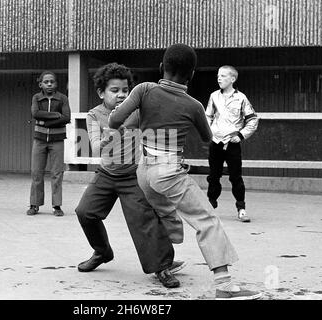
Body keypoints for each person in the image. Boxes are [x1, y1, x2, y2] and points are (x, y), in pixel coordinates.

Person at [109, 44, 262, 300]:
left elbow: (116, 121)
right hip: (169, 172)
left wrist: (137, 117)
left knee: (164, 211)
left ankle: (165, 259)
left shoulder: (144, 89)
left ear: (161, 68)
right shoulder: (193, 105)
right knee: (207, 221)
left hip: (144, 171)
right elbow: (206, 138)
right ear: (191, 75)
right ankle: (224, 285)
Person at [76, 63, 185, 288]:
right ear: (101, 93)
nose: (120, 95)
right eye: (114, 90)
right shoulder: (94, 115)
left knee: (143, 220)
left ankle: (162, 267)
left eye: (125, 90)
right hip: (106, 174)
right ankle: (102, 252)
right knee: (85, 212)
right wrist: (110, 135)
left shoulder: (135, 111)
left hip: (133, 175)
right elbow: (96, 148)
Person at [205, 65, 259, 223]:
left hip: (232, 144)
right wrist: (209, 133)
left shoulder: (241, 98)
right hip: (216, 143)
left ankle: (241, 208)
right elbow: (207, 117)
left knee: (236, 177)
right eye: (218, 76)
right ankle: (211, 206)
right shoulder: (214, 96)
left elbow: (253, 120)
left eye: (223, 76)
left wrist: (241, 135)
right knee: (213, 177)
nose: (219, 78)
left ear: (232, 79)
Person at [26, 71, 71, 216]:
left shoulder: (63, 98)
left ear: (56, 83)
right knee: (36, 172)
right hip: (39, 140)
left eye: (52, 81)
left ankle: (56, 206)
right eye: (46, 82)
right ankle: (34, 204)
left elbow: (66, 117)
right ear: (41, 84)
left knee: (57, 173)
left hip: (57, 141)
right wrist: (57, 115)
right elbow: (35, 114)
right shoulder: (36, 98)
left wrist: (46, 121)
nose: (49, 84)